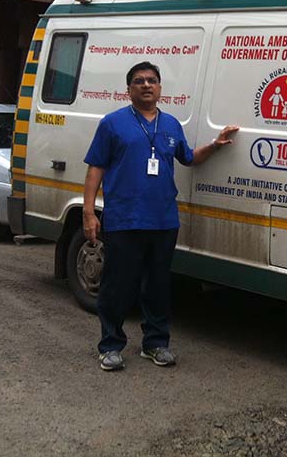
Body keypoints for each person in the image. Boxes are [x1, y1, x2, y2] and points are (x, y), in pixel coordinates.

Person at [83, 61, 238, 371]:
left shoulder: (171, 125)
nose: (146, 85)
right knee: (117, 285)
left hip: (163, 220)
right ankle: (110, 345)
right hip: (124, 219)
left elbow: (189, 158)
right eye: (139, 81)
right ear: (128, 89)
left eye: (151, 80)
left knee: (157, 285)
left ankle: (155, 343)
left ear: (159, 88)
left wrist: (216, 145)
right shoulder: (112, 124)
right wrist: (89, 212)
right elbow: (96, 167)